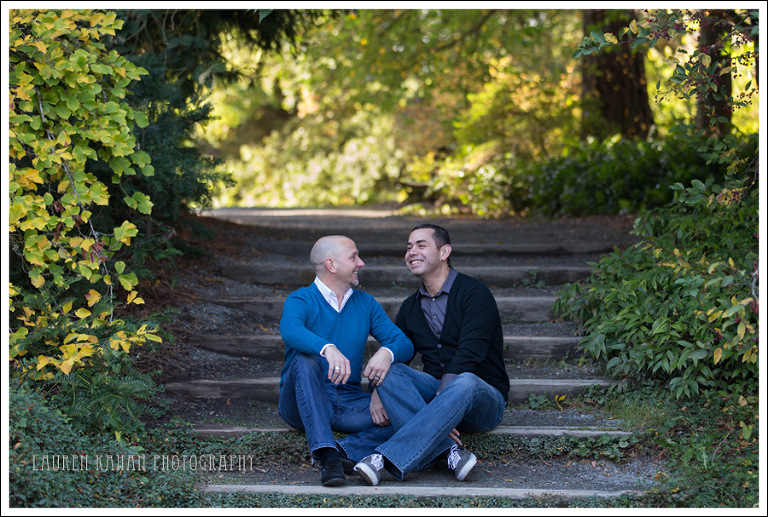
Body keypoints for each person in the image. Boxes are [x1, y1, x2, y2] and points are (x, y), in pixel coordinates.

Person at [353, 224, 510, 485]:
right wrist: (377, 390)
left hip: (482, 400)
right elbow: (400, 352)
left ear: (444, 252)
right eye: (409, 247)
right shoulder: (410, 308)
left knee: (466, 380)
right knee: (391, 369)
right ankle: (449, 451)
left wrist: (440, 401)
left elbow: (469, 354)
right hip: (437, 396)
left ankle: (384, 458)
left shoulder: (475, 294)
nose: (411, 252)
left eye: (421, 245)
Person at [278, 235, 413, 487]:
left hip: (349, 400)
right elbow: (290, 330)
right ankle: (328, 457)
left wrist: (386, 354)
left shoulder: (365, 303)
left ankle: (344, 450)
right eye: (353, 257)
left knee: (405, 418)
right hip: (301, 400)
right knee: (305, 359)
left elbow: (403, 342)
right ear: (331, 264)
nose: (361, 263)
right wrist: (326, 348)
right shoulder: (301, 299)